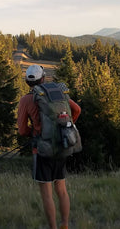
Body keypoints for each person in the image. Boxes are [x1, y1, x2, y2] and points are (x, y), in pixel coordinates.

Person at [17, 65, 81, 229]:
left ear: (27, 82)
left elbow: (22, 130)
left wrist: (36, 132)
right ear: (43, 78)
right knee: (61, 188)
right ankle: (65, 224)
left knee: (47, 194)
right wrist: (66, 127)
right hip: (61, 144)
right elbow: (77, 109)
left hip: (42, 149)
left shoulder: (26, 100)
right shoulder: (57, 94)